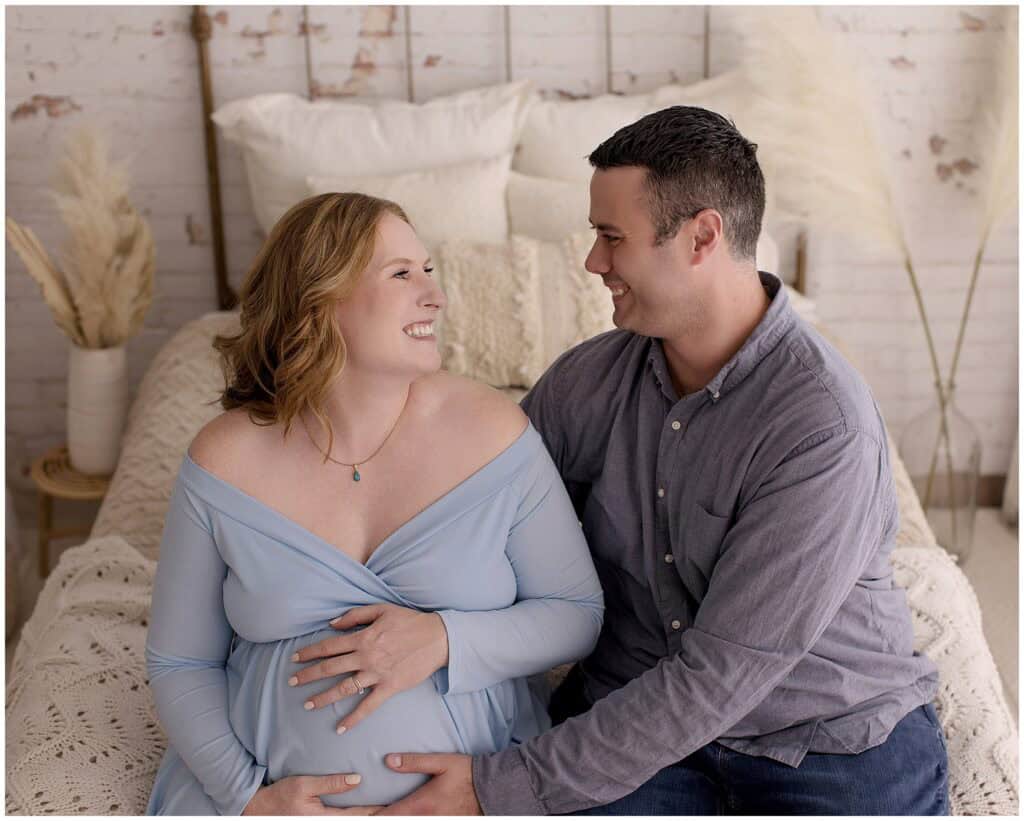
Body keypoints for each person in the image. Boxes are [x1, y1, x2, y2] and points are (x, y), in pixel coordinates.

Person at [362, 106, 949, 815]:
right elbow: (471, 518)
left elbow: (721, 673)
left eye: (612, 237)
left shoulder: (821, 426)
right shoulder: (589, 382)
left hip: (828, 734)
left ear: (703, 235)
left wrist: (499, 787)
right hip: (631, 709)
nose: (593, 262)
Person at [144, 192, 604, 814]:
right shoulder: (224, 460)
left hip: (471, 796)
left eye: (429, 272)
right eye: (402, 274)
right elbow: (180, 660)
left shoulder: (491, 432)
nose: (435, 297)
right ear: (321, 297)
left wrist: (445, 639)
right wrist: (250, 798)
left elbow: (576, 612)